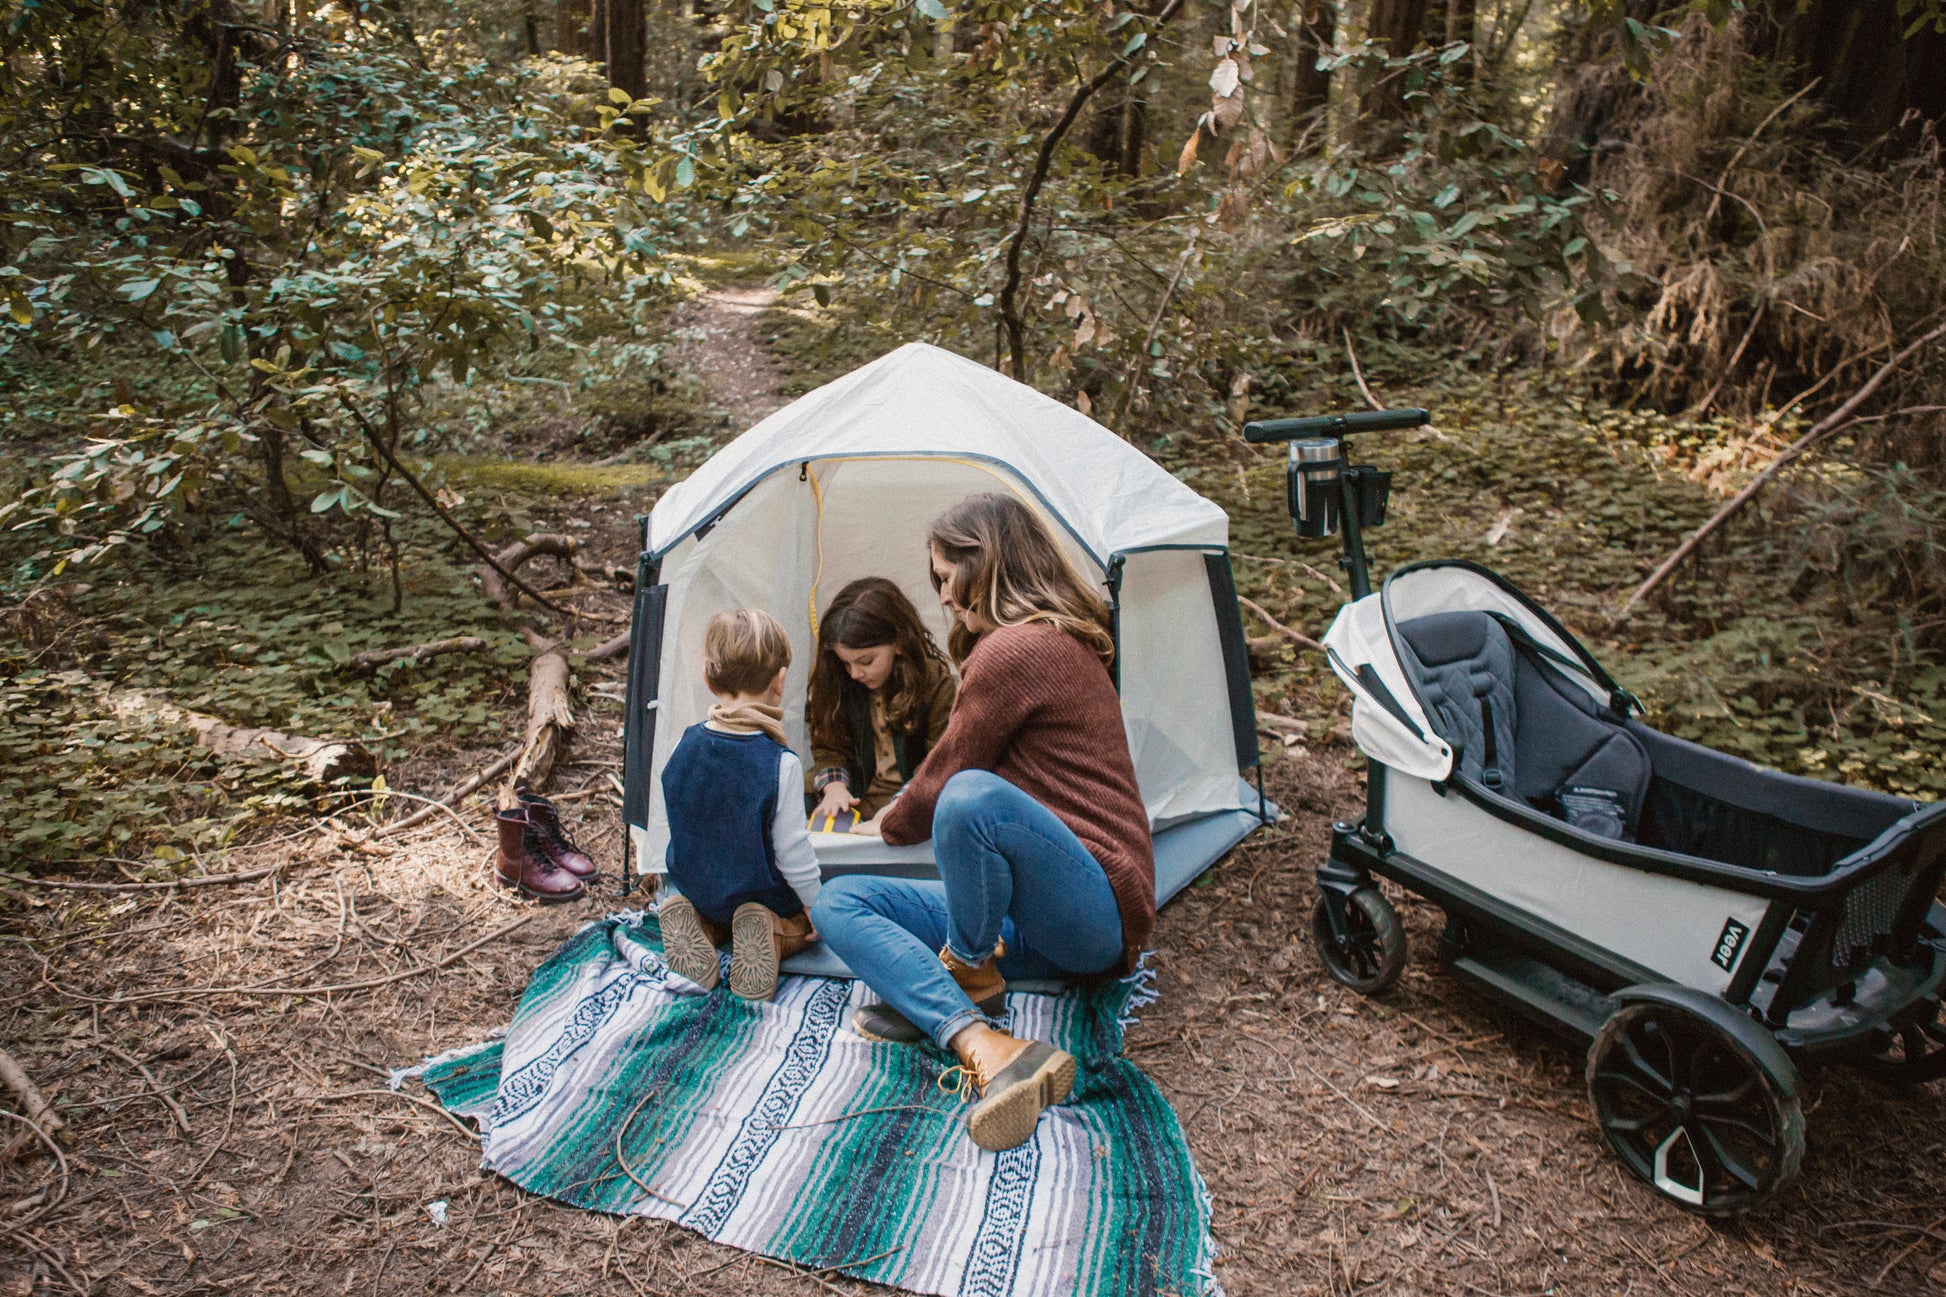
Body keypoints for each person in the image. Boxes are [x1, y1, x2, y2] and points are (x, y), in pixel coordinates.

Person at [812, 494, 1155, 1152]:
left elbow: (945, 778)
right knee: (839, 899)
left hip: (1096, 909)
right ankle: (983, 1040)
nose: (940, 594)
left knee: (968, 796)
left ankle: (967, 968)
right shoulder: (1028, 643)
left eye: (944, 575)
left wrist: (877, 828)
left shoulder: (1018, 650)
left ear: (984, 566)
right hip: (1031, 916)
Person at [657, 609, 820, 1001]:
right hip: (759, 896)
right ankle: (774, 934)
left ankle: (698, 923)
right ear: (780, 681)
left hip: (700, 889)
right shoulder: (780, 763)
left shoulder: (684, 744)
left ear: (709, 679)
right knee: (800, 926)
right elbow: (792, 852)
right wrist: (817, 907)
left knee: (720, 916)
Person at [807, 577, 958, 827]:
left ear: (898, 643)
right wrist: (834, 788)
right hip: (858, 796)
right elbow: (828, 746)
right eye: (846, 663)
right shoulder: (841, 681)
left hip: (913, 795)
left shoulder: (934, 682)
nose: (855, 673)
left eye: (866, 661)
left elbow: (939, 759)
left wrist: (903, 803)